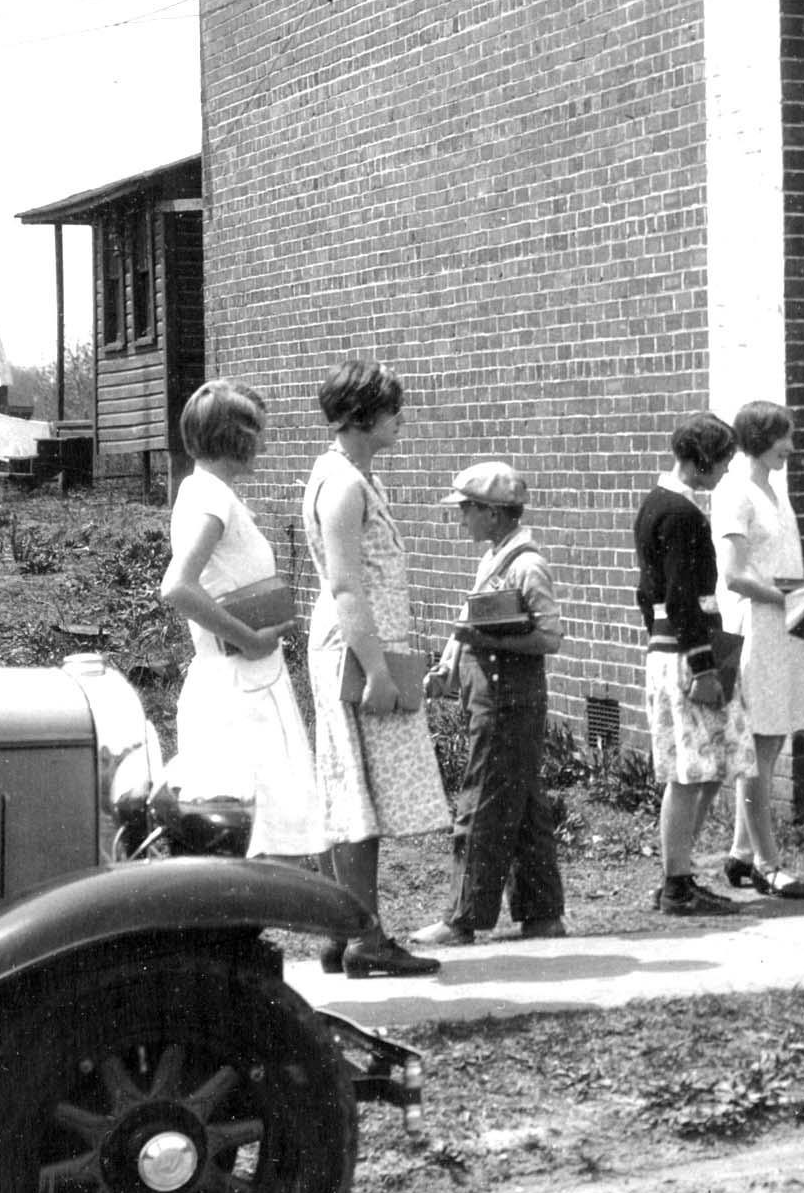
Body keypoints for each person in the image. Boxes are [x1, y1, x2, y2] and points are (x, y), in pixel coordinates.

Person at [150, 378, 336, 910]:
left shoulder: (208, 491)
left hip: (251, 681)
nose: (264, 443)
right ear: (234, 437)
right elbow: (178, 586)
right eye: (256, 432)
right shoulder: (210, 497)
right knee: (257, 835)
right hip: (239, 687)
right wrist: (250, 637)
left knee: (271, 834)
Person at [300, 361, 449, 976]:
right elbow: (345, 587)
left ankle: (344, 930)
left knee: (356, 793)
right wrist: (378, 671)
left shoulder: (355, 476)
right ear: (363, 416)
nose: (400, 419)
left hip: (363, 647)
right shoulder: (342, 484)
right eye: (391, 410)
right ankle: (364, 937)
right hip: (355, 652)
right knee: (357, 797)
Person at [417, 458, 565, 943]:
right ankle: (541, 913)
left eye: (467, 510)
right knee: (522, 807)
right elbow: (470, 624)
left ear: (495, 514)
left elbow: (549, 637)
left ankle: (463, 918)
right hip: (495, 699)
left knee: (480, 804)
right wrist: (447, 666)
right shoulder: (495, 558)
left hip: (508, 702)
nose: (461, 519)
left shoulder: (526, 565)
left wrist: (489, 644)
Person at [711, 399, 804, 899]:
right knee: (757, 746)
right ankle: (767, 861)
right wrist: (792, 598)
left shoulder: (771, 490)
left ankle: (740, 853)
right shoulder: (734, 491)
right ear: (760, 438)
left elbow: (781, 559)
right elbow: (735, 576)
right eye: (784, 438)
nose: (791, 448)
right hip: (757, 625)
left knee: (771, 739)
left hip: (784, 622)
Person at [633, 416, 747, 918]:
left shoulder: (656, 504)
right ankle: (677, 881)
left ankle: (678, 874)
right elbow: (682, 597)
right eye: (722, 462)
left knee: (703, 770)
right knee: (690, 774)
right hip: (687, 654)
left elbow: (647, 596)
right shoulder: (681, 514)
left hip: (669, 649)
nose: (725, 472)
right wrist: (702, 666)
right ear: (701, 458)